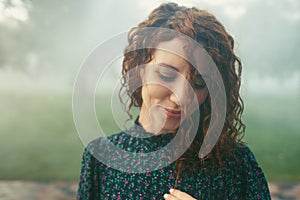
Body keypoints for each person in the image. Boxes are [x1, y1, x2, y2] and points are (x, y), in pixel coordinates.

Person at [77, 2, 271, 199]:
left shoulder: (235, 162)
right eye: (167, 75)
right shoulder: (100, 157)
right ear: (140, 67)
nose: (180, 98)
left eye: (198, 84)